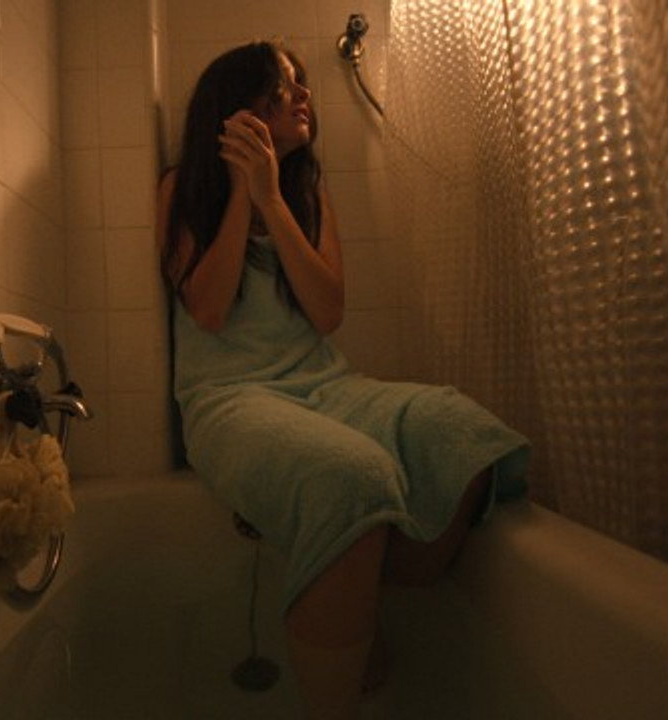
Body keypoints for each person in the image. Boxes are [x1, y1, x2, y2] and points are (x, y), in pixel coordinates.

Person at [155, 40, 530, 720]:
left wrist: (273, 197)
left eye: (302, 85)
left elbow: (327, 312)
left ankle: (351, 593)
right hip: (229, 398)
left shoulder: (307, 193)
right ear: (238, 108)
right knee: (350, 476)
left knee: (464, 433)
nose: (304, 96)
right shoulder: (185, 187)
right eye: (283, 87)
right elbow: (207, 310)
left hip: (328, 387)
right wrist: (241, 192)